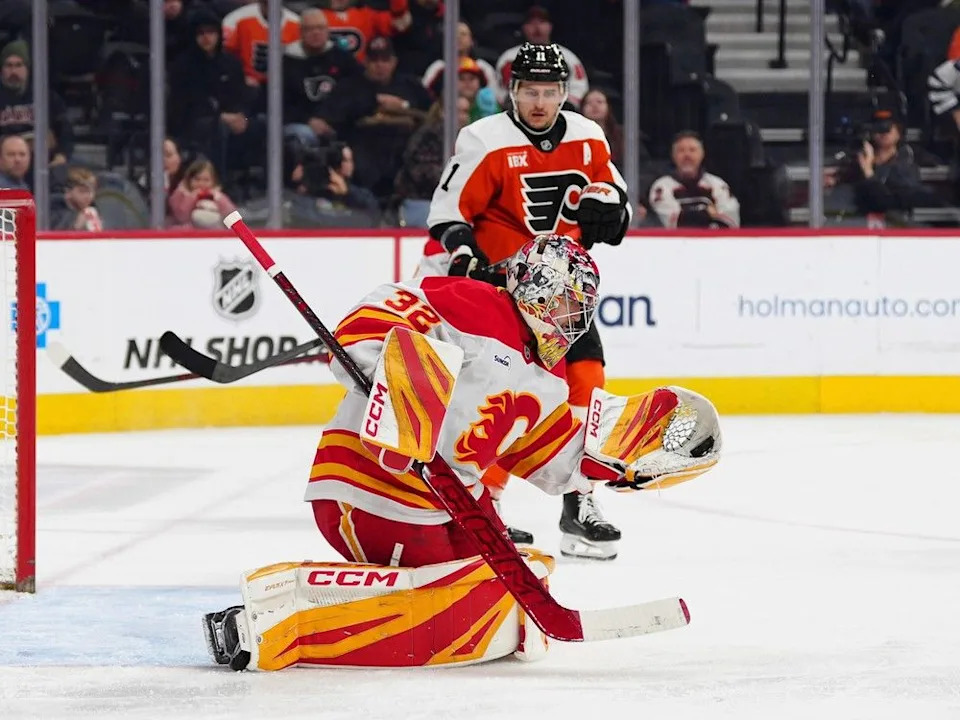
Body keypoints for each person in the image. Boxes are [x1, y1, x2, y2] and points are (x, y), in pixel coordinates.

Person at [202, 234, 722, 671]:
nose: (574, 317)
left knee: (505, 579)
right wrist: (389, 367)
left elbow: (548, 457)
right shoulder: (474, 303)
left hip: (447, 503)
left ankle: (375, 606)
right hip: (372, 486)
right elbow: (372, 317)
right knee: (445, 593)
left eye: (581, 307)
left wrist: (616, 462)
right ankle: (275, 621)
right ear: (538, 289)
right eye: (568, 300)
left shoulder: (547, 377)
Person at [424, 42, 633, 560]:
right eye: (530, 91)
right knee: (507, 395)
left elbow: (616, 202)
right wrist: (462, 248)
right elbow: (448, 215)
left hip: (563, 291)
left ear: (566, 92)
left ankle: (579, 501)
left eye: (550, 92)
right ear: (512, 91)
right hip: (503, 293)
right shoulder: (483, 139)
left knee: (587, 383)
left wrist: (614, 217)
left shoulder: (588, 137)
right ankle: (485, 500)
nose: (540, 102)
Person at [494, 6, 589, 109]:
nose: (537, 27)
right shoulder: (509, 58)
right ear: (524, 28)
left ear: (550, 26)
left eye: (542, 22)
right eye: (531, 23)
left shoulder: (568, 57)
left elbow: (579, 89)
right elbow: (500, 92)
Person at [649, 131, 740, 229]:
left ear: (702, 154)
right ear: (673, 156)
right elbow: (672, 223)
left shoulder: (717, 185)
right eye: (681, 150)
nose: (687, 155)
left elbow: (729, 223)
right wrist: (707, 213)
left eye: (692, 150)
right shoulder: (661, 187)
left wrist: (690, 215)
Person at [168, 158, 237, 229]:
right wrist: (192, 198)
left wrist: (218, 199)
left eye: (206, 180)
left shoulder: (218, 196)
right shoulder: (180, 194)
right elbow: (181, 217)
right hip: (187, 233)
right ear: (189, 179)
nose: (201, 184)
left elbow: (231, 214)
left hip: (214, 232)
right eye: (197, 179)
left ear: (213, 181)